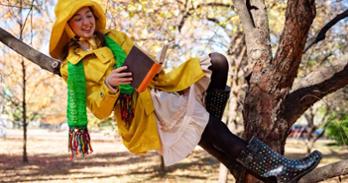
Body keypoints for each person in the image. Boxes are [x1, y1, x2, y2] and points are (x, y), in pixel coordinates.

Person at [49, 0, 321, 182]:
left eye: (89, 15)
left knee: (218, 61)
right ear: (69, 28)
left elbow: (141, 64)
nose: (87, 22)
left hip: (158, 89)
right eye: (78, 19)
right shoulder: (73, 68)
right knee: (209, 125)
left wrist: (153, 65)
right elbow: (98, 110)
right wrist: (109, 85)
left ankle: (216, 128)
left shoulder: (115, 38)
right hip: (141, 115)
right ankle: (279, 170)